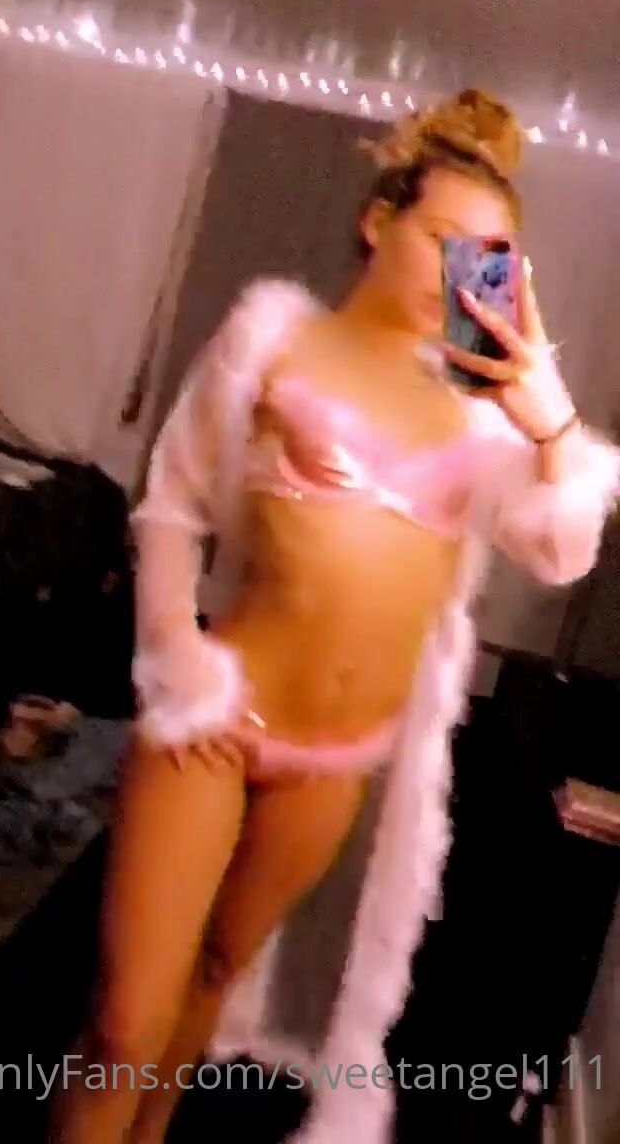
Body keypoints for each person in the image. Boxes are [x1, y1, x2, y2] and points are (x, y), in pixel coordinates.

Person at [56, 90, 619, 1144]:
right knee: (126, 1019)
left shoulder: (485, 422)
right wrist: (178, 656)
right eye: (446, 243)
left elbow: (561, 551)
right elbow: (173, 507)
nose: (463, 279)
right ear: (377, 220)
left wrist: (549, 421)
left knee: (217, 974)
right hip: (218, 724)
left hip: (337, 759)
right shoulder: (272, 343)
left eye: (490, 263)